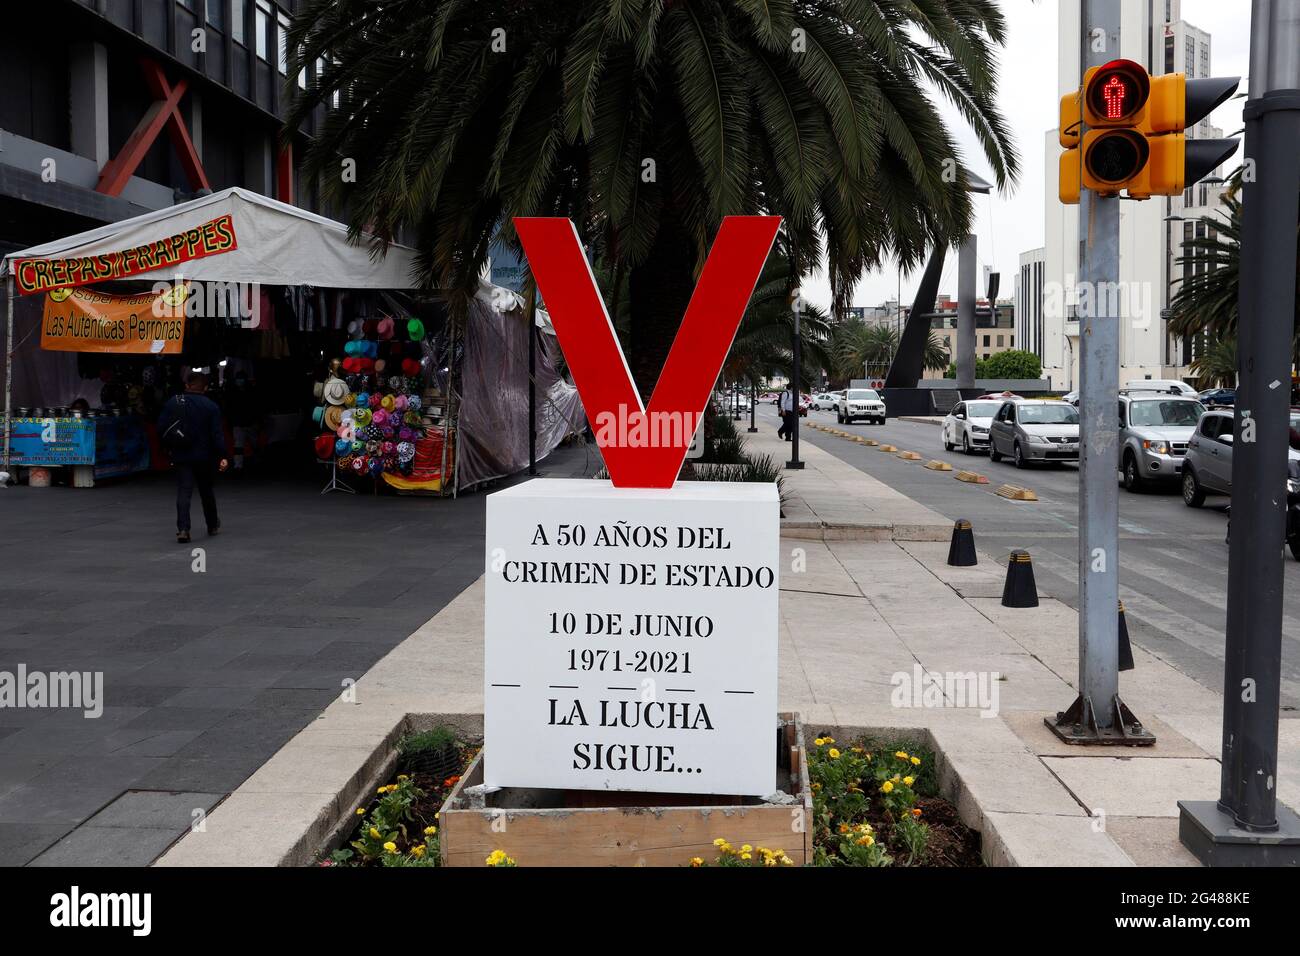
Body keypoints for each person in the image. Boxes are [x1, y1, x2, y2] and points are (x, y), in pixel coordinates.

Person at [158, 373, 229, 543]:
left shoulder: (173, 402)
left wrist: (169, 447)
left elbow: (161, 427)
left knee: (184, 491)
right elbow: (217, 434)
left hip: (181, 454)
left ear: (187, 385)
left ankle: (183, 529)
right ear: (205, 387)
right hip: (205, 456)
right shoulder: (211, 406)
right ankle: (212, 524)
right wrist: (222, 455)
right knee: (206, 491)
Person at [225, 371, 260, 471]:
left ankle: (254, 462)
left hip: (250, 423)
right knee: (239, 445)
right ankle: (238, 466)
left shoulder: (251, 392)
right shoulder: (233, 393)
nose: (239, 381)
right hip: (239, 423)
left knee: (253, 444)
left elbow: (256, 407)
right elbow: (229, 408)